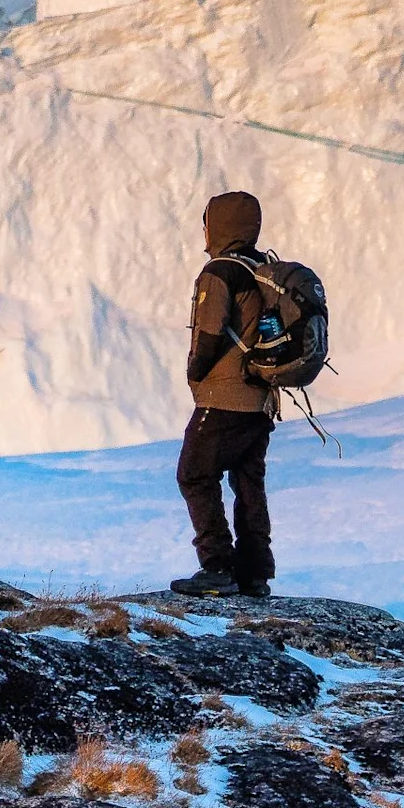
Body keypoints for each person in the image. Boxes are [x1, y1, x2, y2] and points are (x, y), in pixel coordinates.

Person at [172, 187, 280, 598]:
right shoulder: (263, 270)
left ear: (217, 226)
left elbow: (210, 331)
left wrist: (196, 371)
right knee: (248, 480)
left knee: (195, 474)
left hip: (224, 397)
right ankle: (255, 572)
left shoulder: (219, 272)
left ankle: (217, 566)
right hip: (261, 399)